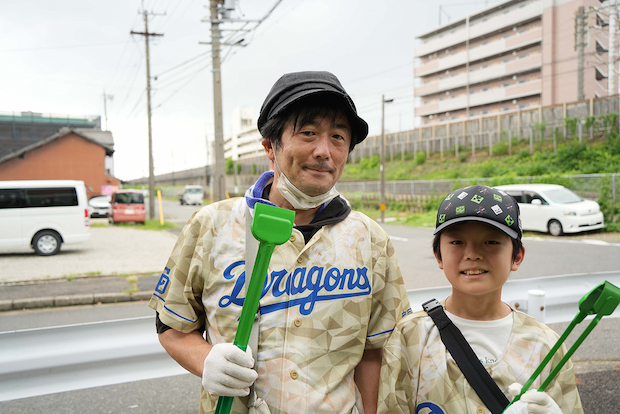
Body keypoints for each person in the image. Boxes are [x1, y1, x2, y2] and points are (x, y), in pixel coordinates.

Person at [149, 71, 412, 414]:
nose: (324, 151)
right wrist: (207, 360)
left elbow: (376, 350)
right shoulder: (212, 226)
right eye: (308, 133)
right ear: (270, 147)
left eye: (337, 137)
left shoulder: (370, 239)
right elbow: (172, 325)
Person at [378, 185, 583, 414]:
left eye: (491, 242)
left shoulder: (545, 345)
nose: (473, 254)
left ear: (517, 256)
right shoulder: (410, 337)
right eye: (457, 242)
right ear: (439, 255)